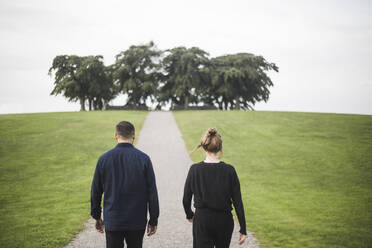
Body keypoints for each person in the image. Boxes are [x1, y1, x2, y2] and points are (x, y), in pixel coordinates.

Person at [90, 121, 159, 248]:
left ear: (116, 135)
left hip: (113, 219)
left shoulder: (104, 159)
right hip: (137, 220)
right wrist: (153, 219)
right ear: (133, 135)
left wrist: (96, 216)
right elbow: (152, 192)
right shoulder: (144, 159)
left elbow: (96, 191)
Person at [183, 128, 247, 248]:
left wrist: (189, 215)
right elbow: (238, 201)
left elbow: (186, 198)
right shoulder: (230, 170)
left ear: (203, 147)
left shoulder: (195, 170)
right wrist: (243, 229)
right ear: (220, 148)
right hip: (224, 221)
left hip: (202, 220)